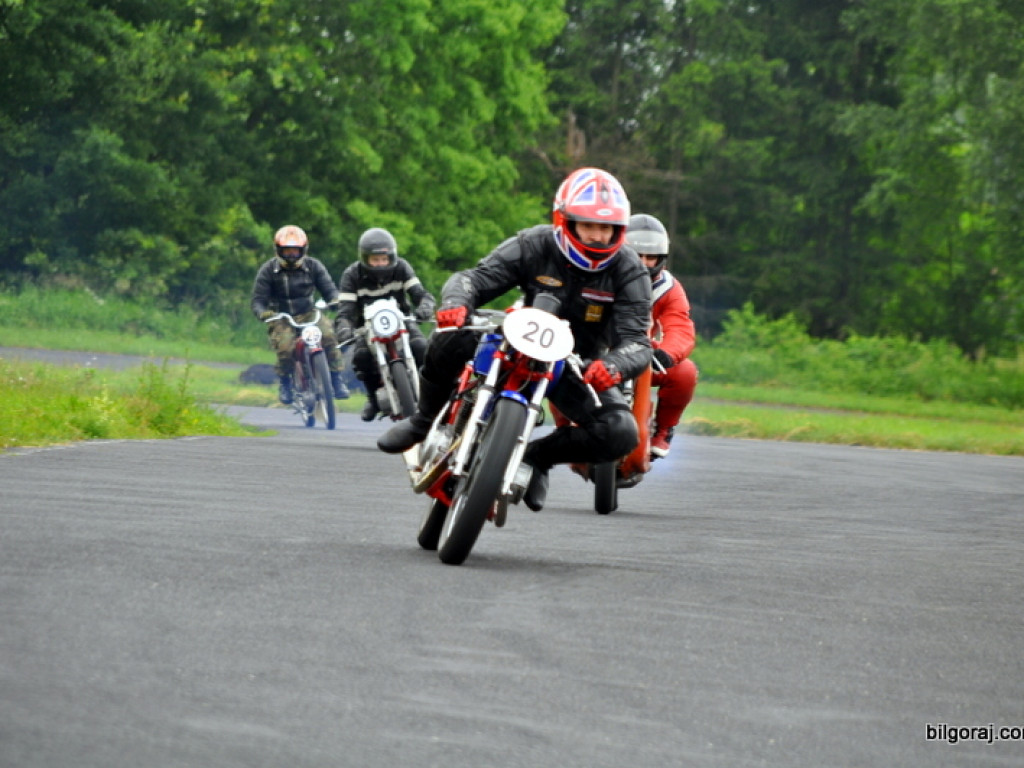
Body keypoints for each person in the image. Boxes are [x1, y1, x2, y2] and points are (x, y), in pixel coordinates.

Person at [377, 167, 652, 512]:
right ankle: (422, 420)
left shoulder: (630, 269)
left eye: (607, 228)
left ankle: (537, 459)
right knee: (448, 337)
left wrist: (613, 365)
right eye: (589, 225)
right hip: (511, 341)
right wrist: (455, 305)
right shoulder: (533, 243)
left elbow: (638, 341)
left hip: (577, 365)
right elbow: (472, 279)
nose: (598, 236)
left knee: (621, 433)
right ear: (564, 219)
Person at [334, 228, 436, 421]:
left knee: (422, 347)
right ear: (365, 259)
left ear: (392, 257)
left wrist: (425, 307)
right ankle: (373, 398)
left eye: (384, 259)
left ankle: (432, 391)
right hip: (367, 328)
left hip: (403, 322)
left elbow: (421, 295)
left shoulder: (402, 268)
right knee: (361, 357)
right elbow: (345, 312)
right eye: (375, 259)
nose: (380, 264)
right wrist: (345, 329)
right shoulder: (351, 275)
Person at [626, 213, 699, 458]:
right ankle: (564, 426)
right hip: (597, 351)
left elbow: (680, 326)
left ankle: (664, 429)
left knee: (685, 372)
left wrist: (667, 353)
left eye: (651, 257)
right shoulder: (601, 276)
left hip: (642, 355)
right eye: (638, 255)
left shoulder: (668, 288)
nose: (645, 263)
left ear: (662, 258)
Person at [251, 224, 349, 404]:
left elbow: (330, 290)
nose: (291, 256)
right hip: (281, 317)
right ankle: (285, 383)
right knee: (286, 347)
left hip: (309, 313)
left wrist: (335, 302)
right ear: (278, 250)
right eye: (287, 251)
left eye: (295, 251)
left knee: (329, 336)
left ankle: (336, 379)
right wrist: (264, 313)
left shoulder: (314, 266)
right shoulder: (268, 270)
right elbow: (258, 300)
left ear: (303, 250)